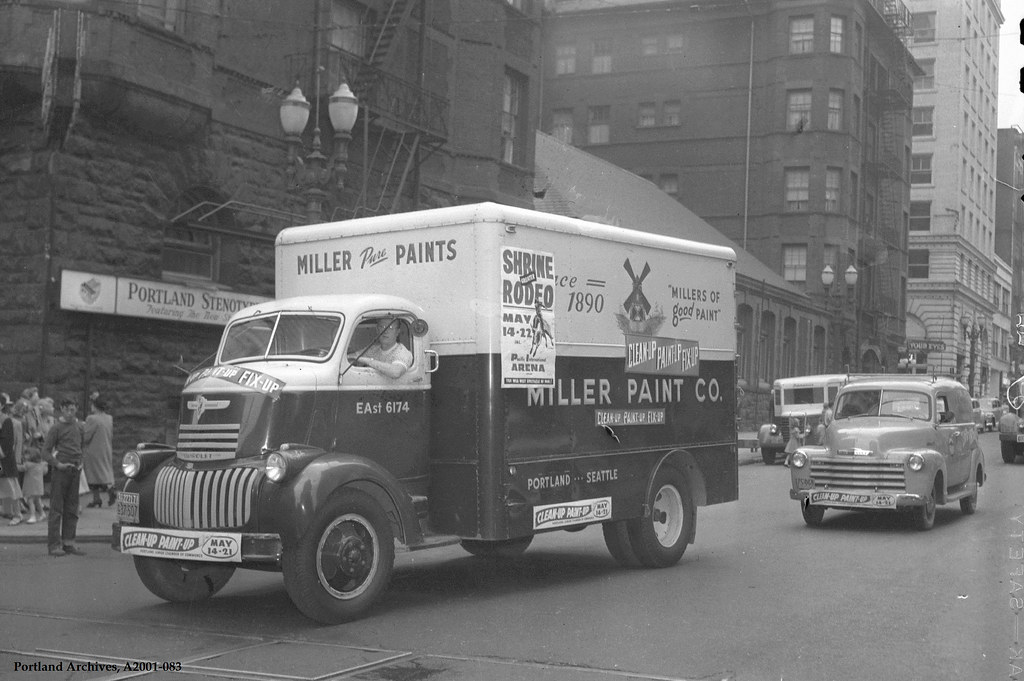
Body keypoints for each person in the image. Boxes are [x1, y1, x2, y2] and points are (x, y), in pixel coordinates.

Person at [42, 398, 86, 556]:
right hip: (61, 471)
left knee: (72, 508)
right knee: (56, 508)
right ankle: (54, 545)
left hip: (75, 470)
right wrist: (57, 464)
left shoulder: (80, 426)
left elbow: (81, 447)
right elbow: (45, 451)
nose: (69, 413)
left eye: (72, 410)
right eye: (66, 409)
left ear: (76, 409)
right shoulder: (56, 428)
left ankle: (69, 542)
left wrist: (81, 462)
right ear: (61, 409)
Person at [13, 399, 46, 523]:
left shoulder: (28, 464)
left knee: (31, 500)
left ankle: (33, 515)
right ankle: (41, 513)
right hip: (26, 448)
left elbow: (21, 467)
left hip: (26, 447)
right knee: (35, 499)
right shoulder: (39, 464)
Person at [83, 396, 115, 507]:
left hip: (93, 451)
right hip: (105, 448)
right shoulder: (109, 418)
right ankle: (108, 491)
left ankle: (100, 496)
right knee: (103, 472)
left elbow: (86, 436)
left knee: (94, 475)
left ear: (95, 406)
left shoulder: (92, 419)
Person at [0, 393, 26, 525]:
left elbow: (7, 444)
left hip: (5, 462)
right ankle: (8, 511)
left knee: (11, 488)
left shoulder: (6, 420)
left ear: (2, 405)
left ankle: (17, 514)